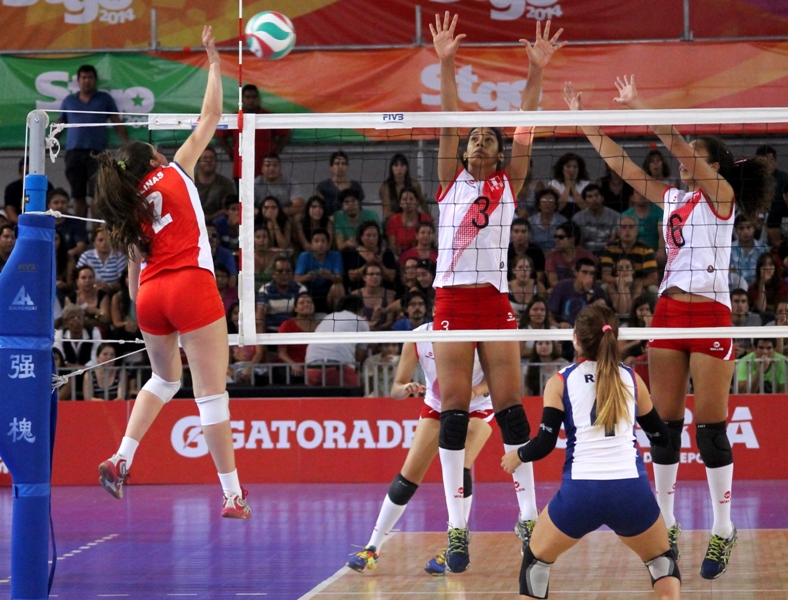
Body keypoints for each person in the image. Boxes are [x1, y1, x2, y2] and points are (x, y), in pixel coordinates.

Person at [565, 75, 773, 578]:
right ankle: (668, 524)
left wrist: (639, 104)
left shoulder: (720, 196)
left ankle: (723, 526)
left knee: (711, 432)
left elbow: (679, 145)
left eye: (693, 157)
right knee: (663, 428)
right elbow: (623, 167)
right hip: (668, 314)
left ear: (712, 164)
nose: (683, 163)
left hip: (710, 314)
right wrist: (586, 125)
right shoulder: (673, 199)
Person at [91, 27, 251, 519]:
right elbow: (211, 116)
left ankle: (121, 457)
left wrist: (148, 318)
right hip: (189, 284)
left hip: (152, 296)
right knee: (211, 396)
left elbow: (136, 274)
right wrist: (215, 61)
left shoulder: (129, 204)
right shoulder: (177, 168)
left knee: (163, 379)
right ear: (155, 160)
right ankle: (231, 495)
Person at [430, 12, 563, 572]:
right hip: (451, 301)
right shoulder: (450, 178)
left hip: (492, 299)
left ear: (500, 154)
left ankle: (528, 514)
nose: (481, 140)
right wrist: (446, 63)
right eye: (475, 137)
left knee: (511, 413)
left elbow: (526, 123)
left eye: (490, 138)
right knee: (455, 414)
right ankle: (457, 530)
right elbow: (449, 119)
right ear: (463, 151)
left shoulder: (508, 183)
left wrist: (535, 72)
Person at [502, 304, 679, 600]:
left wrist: (517, 456)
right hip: (630, 493)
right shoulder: (632, 380)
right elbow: (662, 438)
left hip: (580, 495)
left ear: (576, 338)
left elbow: (544, 444)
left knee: (536, 563)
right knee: (662, 561)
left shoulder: (560, 381)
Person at [346, 322, 494, 576]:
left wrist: (474, 391)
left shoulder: (475, 331)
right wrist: (406, 389)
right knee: (407, 477)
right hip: (437, 405)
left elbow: (498, 379)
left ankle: (454, 546)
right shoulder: (418, 337)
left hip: (477, 406)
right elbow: (396, 388)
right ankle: (373, 548)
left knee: (460, 468)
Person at [57, 64, 129, 218]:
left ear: (95, 80)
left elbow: (116, 121)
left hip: (97, 154)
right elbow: (59, 124)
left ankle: (97, 235)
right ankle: (82, 233)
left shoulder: (104, 99)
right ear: (78, 80)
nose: (86, 81)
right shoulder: (69, 100)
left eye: (89, 77)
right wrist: (47, 141)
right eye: (83, 77)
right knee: (78, 196)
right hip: (73, 154)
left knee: (97, 195)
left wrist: (127, 145)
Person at [216, 83, 290, 187]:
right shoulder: (234, 118)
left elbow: (285, 134)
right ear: (242, 100)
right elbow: (219, 134)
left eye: (254, 97)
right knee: (242, 201)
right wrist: (230, 152)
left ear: (258, 99)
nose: (251, 100)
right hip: (241, 169)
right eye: (248, 97)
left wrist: (276, 153)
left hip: (265, 171)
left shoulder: (268, 117)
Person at [304, 295, 369, 386]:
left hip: (311, 369)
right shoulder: (361, 321)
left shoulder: (328, 317)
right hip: (338, 369)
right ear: (361, 310)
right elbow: (359, 357)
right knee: (356, 394)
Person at [600, 215, 659, 291]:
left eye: (631, 227)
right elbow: (605, 276)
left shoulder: (646, 249)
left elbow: (653, 278)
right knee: (604, 287)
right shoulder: (609, 249)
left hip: (639, 286)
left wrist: (633, 283)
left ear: (637, 231)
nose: (627, 230)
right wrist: (620, 281)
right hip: (615, 285)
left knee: (653, 289)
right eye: (623, 227)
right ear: (618, 231)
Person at [294, 228, 345, 314]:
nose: (320, 244)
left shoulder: (335, 255)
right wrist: (308, 277)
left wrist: (330, 276)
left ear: (328, 244)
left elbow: (340, 279)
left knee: (338, 287)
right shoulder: (304, 256)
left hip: (328, 295)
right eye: (316, 241)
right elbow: (296, 279)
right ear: (311, 244)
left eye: (323, 241)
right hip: (309, 294)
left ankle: (338, 318)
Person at [547, 258, 605, 329]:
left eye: (591, 273)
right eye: (584, 272)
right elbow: (550, 315)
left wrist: (588, 292)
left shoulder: (598, 290)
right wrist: (558, 325)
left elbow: (603, 317)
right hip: (563, 330)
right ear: (575, 272)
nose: (588, 276)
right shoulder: (562, 287)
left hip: (586, 331)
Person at [256, 257, 306, 334]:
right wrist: (261, 343)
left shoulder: (300, 289)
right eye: (280, 271)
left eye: (288, 271)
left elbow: (306, 315)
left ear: (293, 273)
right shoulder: (265, 289)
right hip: (271, 334)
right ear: (273, 274)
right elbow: (260, 316)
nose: (284, 274)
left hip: (294, 334)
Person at [343, 221, 398, 289]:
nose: (372, 239)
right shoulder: (353, 253)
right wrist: (368, 264)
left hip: (384, 291)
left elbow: (391, 277)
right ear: (361, 237)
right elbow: (352, 277)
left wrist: (380, 265)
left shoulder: (387, 252)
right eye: (368, 235)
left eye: (374, 235)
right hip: (359, 291)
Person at [277, 292, 318, 381]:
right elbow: (281, 353)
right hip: (290, 366)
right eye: (302, 303)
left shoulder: (320, 326)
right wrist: (293, 365)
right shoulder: (287, 324)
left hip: (313, 366)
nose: (306, 305)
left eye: (309, 302)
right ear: (295, 309)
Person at [76, 227, 128, 293]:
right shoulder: (86, 256)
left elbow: (124, 283)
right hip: (89, 293)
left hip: (113, 293)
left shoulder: (120, 256)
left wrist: (109, 286)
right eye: (101, 240)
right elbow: (78, 277)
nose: (104, 243)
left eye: (108, 240)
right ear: (94, 243)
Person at [571, 183, 620, 255]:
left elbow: (614, 241)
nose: (593, 199)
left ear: (602, 198)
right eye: (589, 197)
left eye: (596, 195)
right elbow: (577, 243)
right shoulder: (578, 218)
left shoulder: (615, 216)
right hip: (585, 254)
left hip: (609, 253)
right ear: (585, 200)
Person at [253, 152, 305, 218]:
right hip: (262, 219)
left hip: (284, 218)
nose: (271, 168)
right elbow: (247, 207)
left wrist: (276, 212)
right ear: (262, 169)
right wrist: (266, 213)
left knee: (299, 216)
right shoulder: (255, 183)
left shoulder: (290, 182)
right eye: (268, 165)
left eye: (275, 165)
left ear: (280, 168)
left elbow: (300, 205)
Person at [545, 223, 596, 289]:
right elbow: (553, 282)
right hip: (560, 290)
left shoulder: (587, 255)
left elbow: (590, 278)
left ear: (572, 239)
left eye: (561, 237)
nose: (556, 240)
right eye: (555, 237)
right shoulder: (552, 255)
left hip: (582, 289)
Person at [621, 188, 666, 264]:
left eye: (645, 192)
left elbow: (662, 233)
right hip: (632, 253)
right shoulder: (625, 215)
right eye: (638, 192)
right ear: (632, 197)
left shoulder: (660, 212)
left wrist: (661, 251)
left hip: (655, 253)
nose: (642, 195)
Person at [315, 151, 365, 216]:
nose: (340, 166)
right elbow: (319, 208)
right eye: (337, 163)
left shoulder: (356, 186)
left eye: (343, 163)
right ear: (331, 167)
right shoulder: (322, 187)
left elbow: (359, 208)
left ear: (347, 166)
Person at [385, 187, 432, 257]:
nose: (408, 202)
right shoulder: (393, 220)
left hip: (421, 256)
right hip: (400, 257)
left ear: (417, 202)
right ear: (400, 203)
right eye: (404, 199)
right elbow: (392, 247)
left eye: (411, 199)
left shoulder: (425, 219)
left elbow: (430, 242)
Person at [4, 158, 53, 225]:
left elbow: (51, 207)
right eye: (26, 173)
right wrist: (24, 224)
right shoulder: (12, 188)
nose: (30, 176)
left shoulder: (46, 185)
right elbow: (10, 210)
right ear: (20, 173)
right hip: (19, 224)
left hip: (41, 223)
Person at [379, 153, 428, 220]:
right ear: (391, 168)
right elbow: (387, 212)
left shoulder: (415, 185)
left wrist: (429, 218)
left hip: (413, 221)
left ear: (406, 168)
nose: (399, 168)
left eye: (402, 165)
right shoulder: (385, 187)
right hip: (393, 222)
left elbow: (423, 203)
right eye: (396, 165)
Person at [194, 146, 235, 223]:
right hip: (193, 222)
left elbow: (230, 208)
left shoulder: (226, 183)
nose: (208, 161)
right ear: (198, 162)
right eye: (205, 158)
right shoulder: (190, 182)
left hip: (218, 223)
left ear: (216, 162)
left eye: (211, 158)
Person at [65, 265, 112, 333]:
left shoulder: (102, 295)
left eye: (90, 278)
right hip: (78, 331)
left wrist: (89, 309)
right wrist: (97, 314)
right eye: (83, 278)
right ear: (77, 281)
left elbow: (106, 318)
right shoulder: (70, 298)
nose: (87, 280)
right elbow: (69, 320)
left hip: (100, 331)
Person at [729, 214, 768, 291]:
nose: (745, 231)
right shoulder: (728, 250)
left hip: (758, 291)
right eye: (741, 228)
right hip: (735, 292)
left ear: (754, 228)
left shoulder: (764, 249)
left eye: (749, 227)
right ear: (736, 230)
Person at [548, 152, 591, 219]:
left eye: (575, 167)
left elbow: (585, 208)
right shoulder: (554, 184)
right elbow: (558, 208)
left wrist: (573, 187)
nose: (572, 170)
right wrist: (568, 185)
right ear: (562, 168)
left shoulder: (586, 184)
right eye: (568, 166)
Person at [48, 188, 88, 259]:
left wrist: (62, 257)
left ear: (68, 204)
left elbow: (81, 246)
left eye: (63, 202)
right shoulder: (43, 222)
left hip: (69, 260)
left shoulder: (76, 222)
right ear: (49, 205)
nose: (60, 206)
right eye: (56, 202)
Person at [356, 262, 396, 331]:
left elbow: (390, 321)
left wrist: (375, 329)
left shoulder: (389, 294)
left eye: (378, 274)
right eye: (371, 274)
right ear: (364, 277)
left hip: (382, 334)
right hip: (361, 334)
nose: (375, 277)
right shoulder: (355, 294)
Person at [748, 252, 786, 318]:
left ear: (775, 267)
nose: (767, 268)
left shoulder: (782, 283)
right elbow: (761, 308)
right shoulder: (753, 287)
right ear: (759, 269)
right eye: (764, 265)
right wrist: (762, 282)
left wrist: (768, 306)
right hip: (759, 318)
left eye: (770, 264)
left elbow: (781, 307)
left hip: (779, 316)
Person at [508, 218, 546, 283]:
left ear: (529, 234)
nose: (520, 235)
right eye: (516, 231)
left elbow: (540, 278)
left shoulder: (536, 251)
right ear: (511, 233)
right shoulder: (505, 250)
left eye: (523, 231)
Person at [528, 188, 567, 252]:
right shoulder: (530, 222)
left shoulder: (563, 222)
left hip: (558, 254)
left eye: (551, 201)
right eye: (544, 201)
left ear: (555, 205)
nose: (547, 203)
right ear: (539, 205)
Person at [207, 223, 238, 287]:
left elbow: (232, 279)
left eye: (214, 235)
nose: (210, 238)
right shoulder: (195, 254)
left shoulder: (227, 254)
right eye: (207, 235)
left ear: (218, 239)